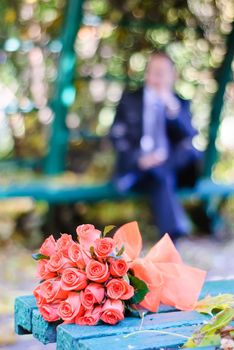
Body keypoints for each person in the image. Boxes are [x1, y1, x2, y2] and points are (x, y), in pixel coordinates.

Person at [110, 51, 202, 241]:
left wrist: (172, 108)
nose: (156, 77)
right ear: (146, 74)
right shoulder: (131, 99)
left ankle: (172, 234)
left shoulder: (179, 103)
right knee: (163, 178)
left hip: (169, 168)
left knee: (173, 165)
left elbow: (189, 135)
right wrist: (140, 159)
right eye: (153, 72)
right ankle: (173, 236)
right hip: (139, 168)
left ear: (172, 76)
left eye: (162, 73)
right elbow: (116, 135)